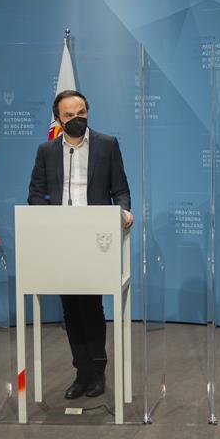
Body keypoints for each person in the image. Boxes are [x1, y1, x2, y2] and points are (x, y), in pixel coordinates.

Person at [28, 90, 132, 399]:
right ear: (58, 118)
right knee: (70, 308)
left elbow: (121, 189)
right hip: (61, 239)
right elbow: (35, 193)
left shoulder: (107, 145)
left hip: (95, 237)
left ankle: (97, 371)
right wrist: (48, 219)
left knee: (91, 306)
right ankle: (81, 372)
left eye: (82, 113)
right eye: (69, 115)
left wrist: (124, 210)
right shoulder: (46, 151)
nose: (77, 119)